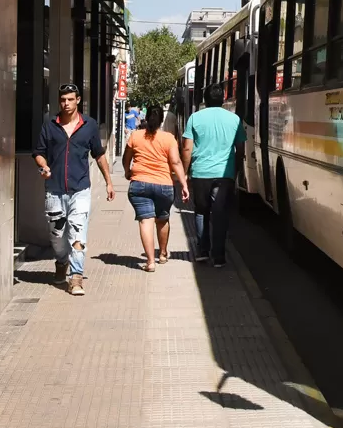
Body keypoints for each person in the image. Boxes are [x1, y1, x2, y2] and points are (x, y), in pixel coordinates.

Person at [33, 83, 115, 296]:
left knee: (78, 234)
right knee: (57, 237)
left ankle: (76, 278)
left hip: (80, 189)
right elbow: (39, 152)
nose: (66, 104)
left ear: (78, 100)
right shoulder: (49, 125)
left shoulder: (89, 125)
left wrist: (108, 182)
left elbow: (98, 154)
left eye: (70, 99)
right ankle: (61, 262)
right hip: (54, 190)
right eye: (63, 100)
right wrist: (43, 165)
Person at [183, 84, 246, 266]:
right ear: (223, 99)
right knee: (221, 214)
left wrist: (185, 173)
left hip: (201, 173)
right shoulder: (234, 119)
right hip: (224, 174)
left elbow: (187, 148)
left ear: (205, 99)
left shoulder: (195, 118)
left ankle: (203, 251)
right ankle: (219, 256)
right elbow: (240, 149)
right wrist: (235, 171)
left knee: (202, 212)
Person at [123, 106, 189, 271]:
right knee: (162, 220)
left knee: (146, 221)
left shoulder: (135, 136)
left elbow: (126, 157)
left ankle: (150, 262)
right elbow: (175, 162)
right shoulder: (169, 138)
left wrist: (127, 171)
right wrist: (184, 184)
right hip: (164, 185)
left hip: (139, 184)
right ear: (161, 120)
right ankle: (163, 253)